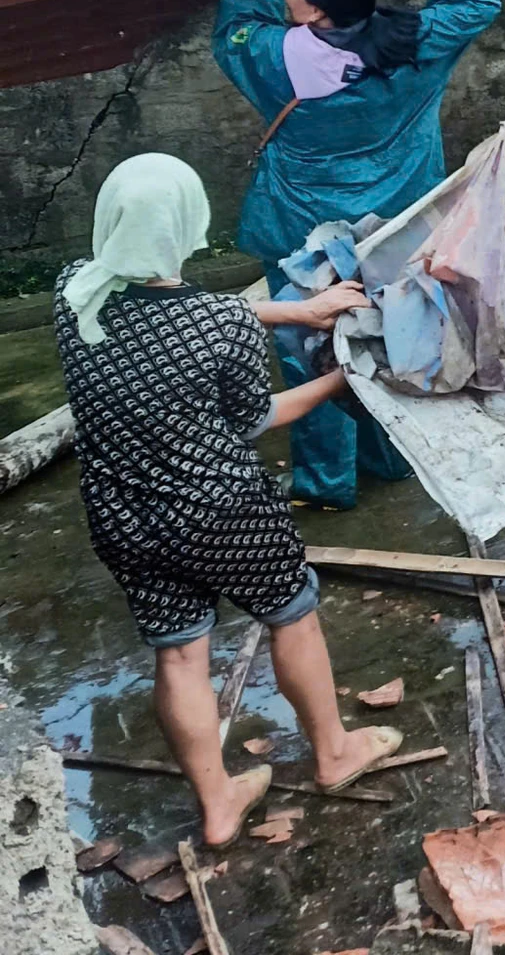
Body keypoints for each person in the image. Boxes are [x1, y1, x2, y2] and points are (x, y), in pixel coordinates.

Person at [55, 154, 405, 847]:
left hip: (123, 514)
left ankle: (218, 804)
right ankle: (333, 752)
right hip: (223, 511)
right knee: (292, 615)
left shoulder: (74, 292)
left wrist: (302, 307)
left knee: (181, 654)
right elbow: (257, 415)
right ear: (189, 223)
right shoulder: (221, 326)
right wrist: (339, 382)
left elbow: (179, 313)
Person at [213, 0, 503, 506]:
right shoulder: (417, 43)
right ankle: (390, 457)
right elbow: (477, 0)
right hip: (396, 222)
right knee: (392, 332)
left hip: (302, 226)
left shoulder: (269, 54)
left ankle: (327, 482)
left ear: (313, 10)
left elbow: (234, 22)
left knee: (310, 347)